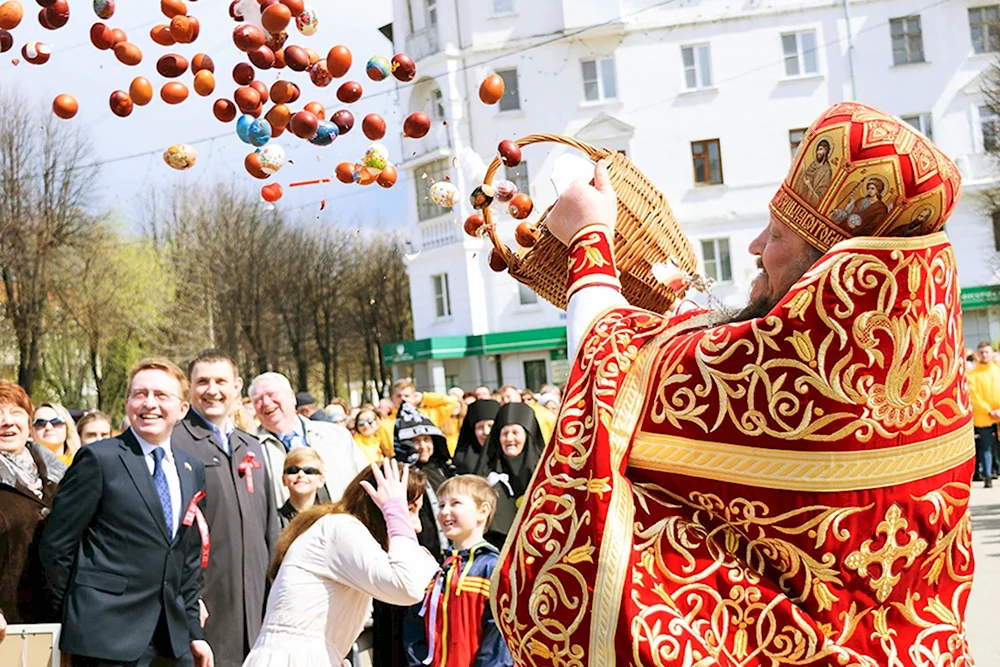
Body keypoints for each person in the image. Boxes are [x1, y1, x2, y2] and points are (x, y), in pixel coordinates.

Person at [493, 102, 974, 665]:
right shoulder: (931, 374)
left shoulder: (794, 373)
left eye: (776, 234)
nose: (753, 247)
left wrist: (590, 240)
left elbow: (608, 373)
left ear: (828, 267)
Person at [40, 358, 212, 667]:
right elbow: (57, 545)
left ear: (183, 409)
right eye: (139, 394)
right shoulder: (98, 459)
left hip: (172, 642)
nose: (149, 404)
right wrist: (75, 618)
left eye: (161, 395)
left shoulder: (192, 469)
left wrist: (194, 632)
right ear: (127, 402)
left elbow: (187, 558)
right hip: (105, 639)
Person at [243, 459, 438, 667]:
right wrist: (395, 514)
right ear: (377, 506)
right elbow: (407, 587)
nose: (416, 526)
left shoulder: (338, 527)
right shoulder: (342, 528)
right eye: (408, 509)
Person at [171, 350, 279, 667]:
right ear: (189, 387)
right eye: (203, 381)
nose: (212, 390)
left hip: (258, 605)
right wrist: (186, 601)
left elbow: (270, 527)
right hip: (207, 605)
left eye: (221, 381)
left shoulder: (251, 446)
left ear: (237, 387)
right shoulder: (175, 442)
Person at [407, 475, 513, 667]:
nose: (445, 512)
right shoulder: (437, 570)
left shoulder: (493, 568)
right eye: (441, 506)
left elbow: (498, 637)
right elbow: (416, 629)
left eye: (455, 503)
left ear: (482, 511)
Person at [0, 381, 67, 635]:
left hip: (60, 623)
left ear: (28, 424)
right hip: (8, 629)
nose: (7, 421)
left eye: (16, 412)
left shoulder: (65, 478)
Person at [249, 372, 368, 509]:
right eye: (258, 399)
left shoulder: (338, 436)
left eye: (272, 395)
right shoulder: (251, 450)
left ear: (292, 397)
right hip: (288, 529)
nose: (266, 402)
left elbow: (364, 482)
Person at [475, 403, 544, 549]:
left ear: (527, 435)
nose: (509, 438)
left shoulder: (543, 470)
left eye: (515, 432)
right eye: (505, 433)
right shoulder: (487, 472)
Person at [394, 403, 451, 561]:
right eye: (416, 441)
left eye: (427, 439)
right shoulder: (399, 473)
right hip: (420, 551)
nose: (423, 446)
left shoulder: (444, 469)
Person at [377, 379, 460, 451]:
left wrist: (424, 397)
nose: (403, 399)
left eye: (407, 396)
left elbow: (451, 401)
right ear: (392, 398)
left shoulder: (426, 415)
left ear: (413, 396)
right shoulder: (385, 425)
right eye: (399, 396)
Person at [968, 341, 1000, 488]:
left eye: (987, 352)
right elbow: (974, 397)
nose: (984, 355)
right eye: (981, 352)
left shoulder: (997, 370)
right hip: (983, 417)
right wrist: (989, 410)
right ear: (977, 354)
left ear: (992, 353)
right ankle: (987, 476)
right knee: (985, 448)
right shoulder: (971, 375)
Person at [278, 447, 327, 527]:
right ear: (284, 479)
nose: (301, 475)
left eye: (309, 471)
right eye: (293, 470)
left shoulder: (330, 520)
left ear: (321, 480)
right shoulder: (273, 521)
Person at [452, 399, 500, 475]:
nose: (486, 432)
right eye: (480, 427)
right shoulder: (462, 462)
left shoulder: (509, 457)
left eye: (491, 426)